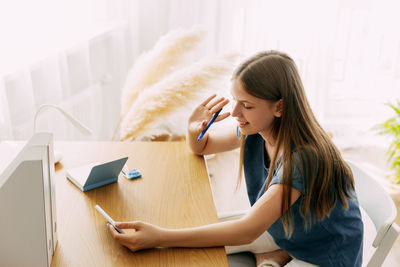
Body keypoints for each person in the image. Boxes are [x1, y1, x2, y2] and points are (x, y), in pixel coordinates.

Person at [108, 50, 364, 267]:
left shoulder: (303, 159)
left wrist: (159, 237)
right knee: (181, 241)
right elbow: (203, 147)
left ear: (279, 107)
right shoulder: (257, 129)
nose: (234, 112)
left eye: (247, 105)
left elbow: (247, 230)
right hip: (288, 229)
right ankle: (277, 253)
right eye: (234, 101)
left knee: (174, 240)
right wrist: (193, 128)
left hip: (325, 254)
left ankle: (278, 255)